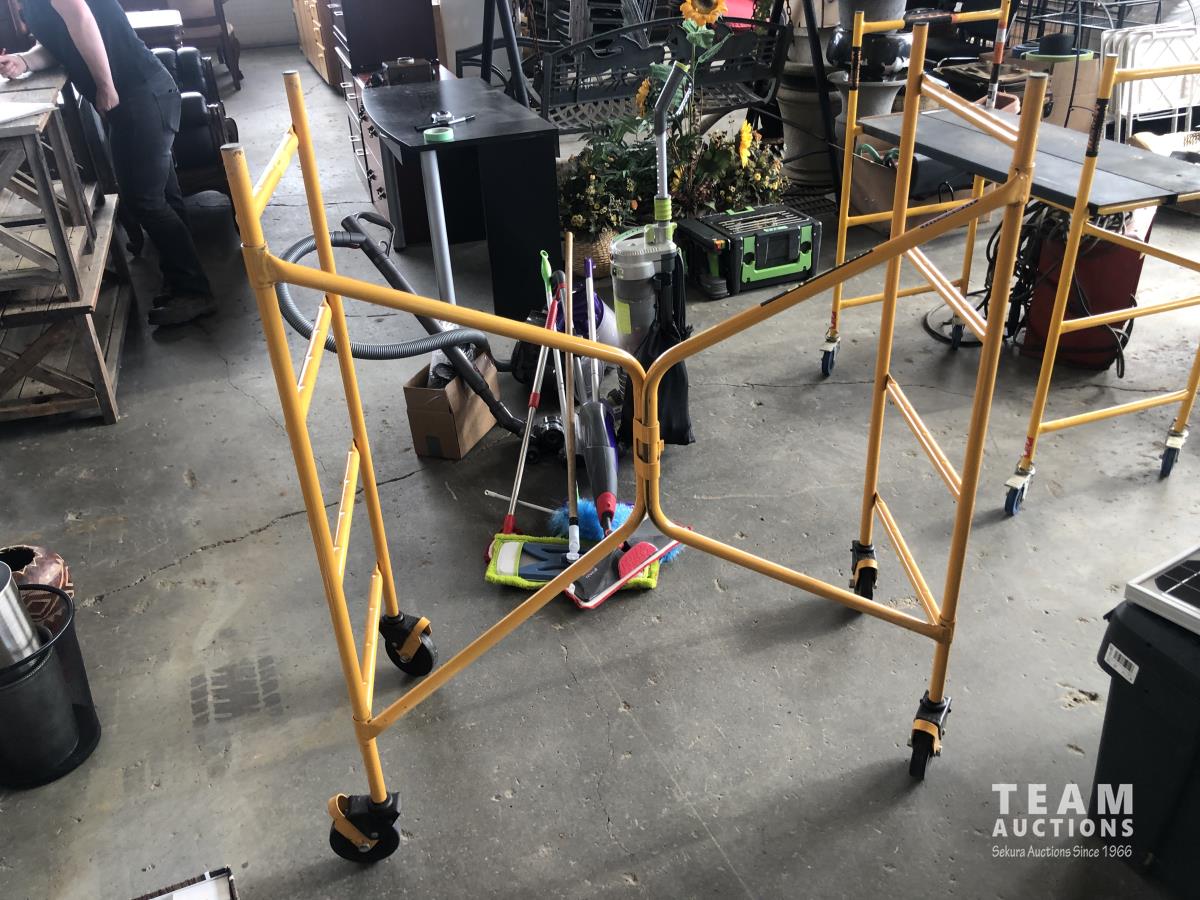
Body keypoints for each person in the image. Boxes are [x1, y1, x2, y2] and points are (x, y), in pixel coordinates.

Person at [0, 0, 216, 326]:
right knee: (161, 196)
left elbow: (81, 19)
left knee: (145, 200)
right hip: (132, 97)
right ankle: (182, 279)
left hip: (141, 92)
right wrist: (24, 60)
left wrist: (105, 85)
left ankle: (195, 292)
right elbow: (59, 42)